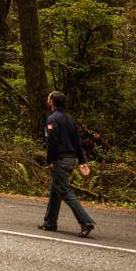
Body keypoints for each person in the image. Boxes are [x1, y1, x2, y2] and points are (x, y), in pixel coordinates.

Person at [38, 91, 95, 237]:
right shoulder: (70, 119)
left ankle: (86, 222)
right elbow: (78, 142)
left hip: (60, 160)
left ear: (52, 102)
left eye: (48, 98)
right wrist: (81, 161)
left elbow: (52, 141)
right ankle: (50, 223)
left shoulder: (52, 119)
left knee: (64, 190)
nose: (47, 100)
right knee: (55, 189)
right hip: (71, 160)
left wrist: (49, 160)